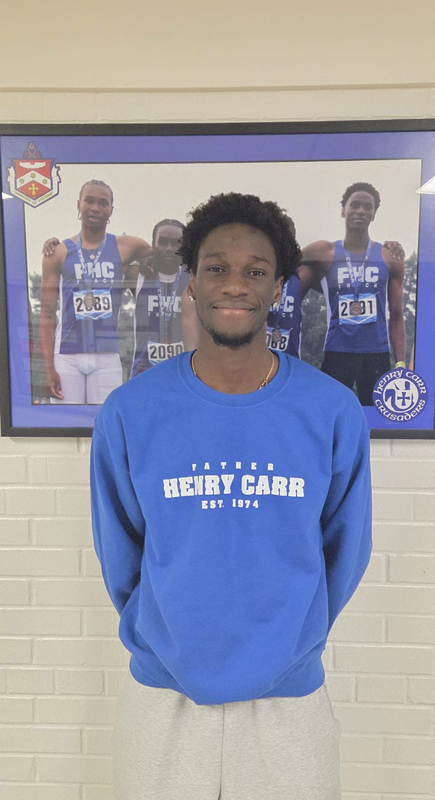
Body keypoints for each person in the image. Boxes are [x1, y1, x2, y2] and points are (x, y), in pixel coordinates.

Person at [90, 191, 372, 800]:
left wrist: (292, 638)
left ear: (278, 290)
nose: (234, 285)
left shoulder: (330, 411)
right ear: (192, 282)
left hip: (289, 699)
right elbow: (121, 555)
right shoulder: (131, 411)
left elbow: (344, 551)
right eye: (216, 267)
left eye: (256, 271)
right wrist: (168, 635)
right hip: (163, 695)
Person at [40, 179, 152, 404]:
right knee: (65, 424)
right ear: (78, 205)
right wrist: (48, 368)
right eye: (89, 201)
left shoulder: (126, 246)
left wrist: (145, 265)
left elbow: (159, 255)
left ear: (111, 210)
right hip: (66, 356)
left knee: (104, 425)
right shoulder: (59, 251)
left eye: (103, 203)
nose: (95, 208)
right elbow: (46, 313)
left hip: (107, 355)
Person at [299, 182, 406, 405]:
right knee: (331, 415)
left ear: (374, 214)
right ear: (343, 210)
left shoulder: (388, 256)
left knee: (378, 421)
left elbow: (396, 315)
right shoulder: (324, 251)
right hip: (337, 351)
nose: (360, 211)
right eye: (354, 205)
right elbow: (286, 260)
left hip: (376, 354)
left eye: (368, 207)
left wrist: (401, 363)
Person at [130, 218, 190, 376]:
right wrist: (56, 246)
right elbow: (114, 257)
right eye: (162, 242)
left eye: (177, 242)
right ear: (153, 245)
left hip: (182, 372)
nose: (170, 248)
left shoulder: (193, 278)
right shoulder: (138, 275)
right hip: (144, 372)